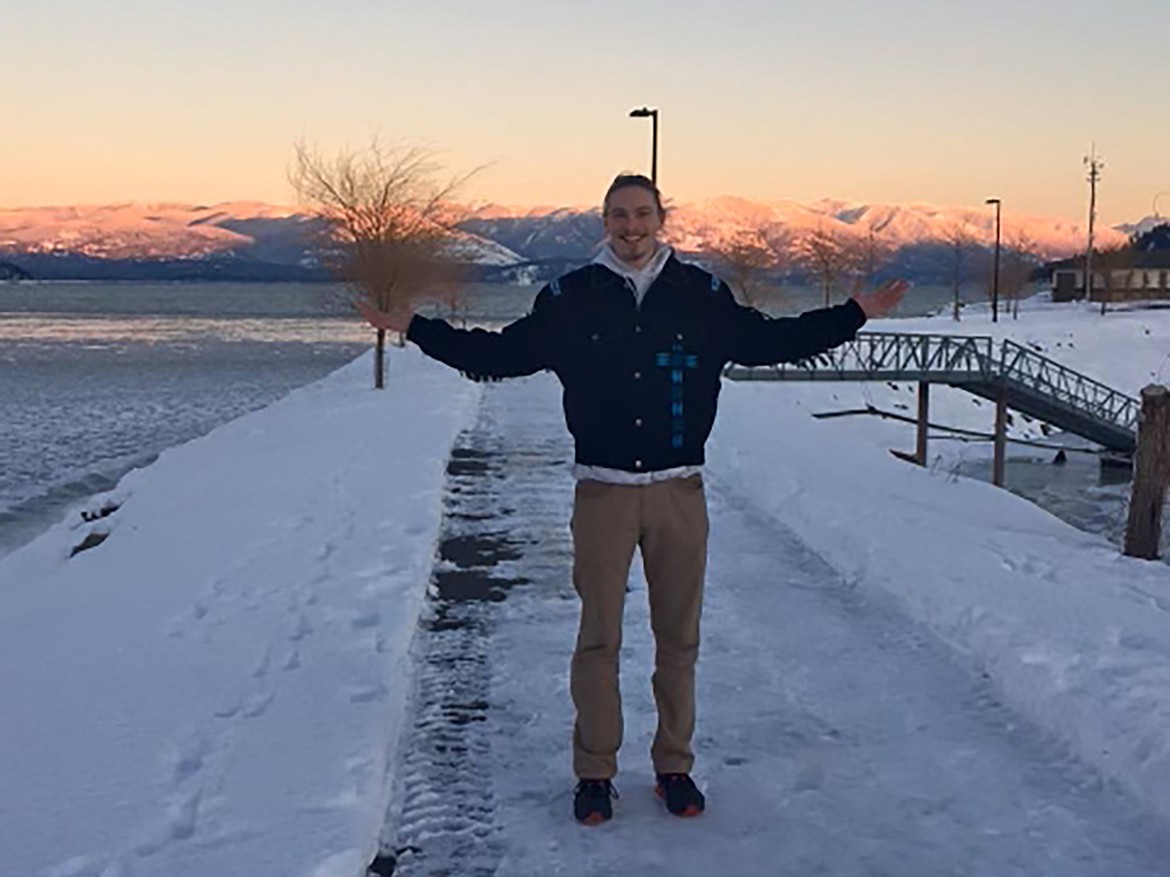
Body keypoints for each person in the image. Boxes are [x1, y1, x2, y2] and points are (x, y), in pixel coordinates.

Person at [359, 173, 907, 826]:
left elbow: (769, 342)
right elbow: (503, 354)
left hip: (679, 490)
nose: (631, 226)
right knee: (599, 639)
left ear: (661, 217)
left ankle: (674, 765)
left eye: (642, 214)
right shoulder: (571, 298)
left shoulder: (701, 294)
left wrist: (852, 315)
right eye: (619, 215)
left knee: (679, 639)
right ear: (604, 220)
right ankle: (595, 773)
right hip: (604, 493)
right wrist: (418, 327)